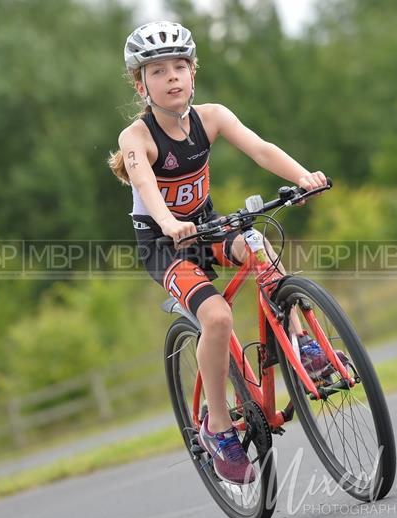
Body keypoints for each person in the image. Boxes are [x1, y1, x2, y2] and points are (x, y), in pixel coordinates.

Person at [108, 21, 336, 484]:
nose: (171, 77)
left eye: (180, 67)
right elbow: (147, 187)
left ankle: (301, 341)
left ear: (193, 73)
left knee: (258, 245)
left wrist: (302, 177)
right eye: (157, 71)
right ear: (140, 83)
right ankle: (217, 428)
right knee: (216, 318)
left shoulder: (212, 117)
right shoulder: (136, 138)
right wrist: (170, 223)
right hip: (164, 245)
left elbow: (260, 149)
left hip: (207, 226)